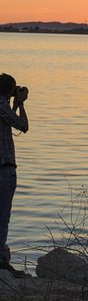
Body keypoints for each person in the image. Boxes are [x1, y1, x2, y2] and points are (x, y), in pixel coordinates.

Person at [0, 73, 29, 277]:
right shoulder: (1, 104)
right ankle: (1, 260)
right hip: (4, 169)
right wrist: (21, 104)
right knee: (3, 216)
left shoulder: (3, 106)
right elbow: (22, 126)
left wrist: (15, 104)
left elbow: (9, 121)